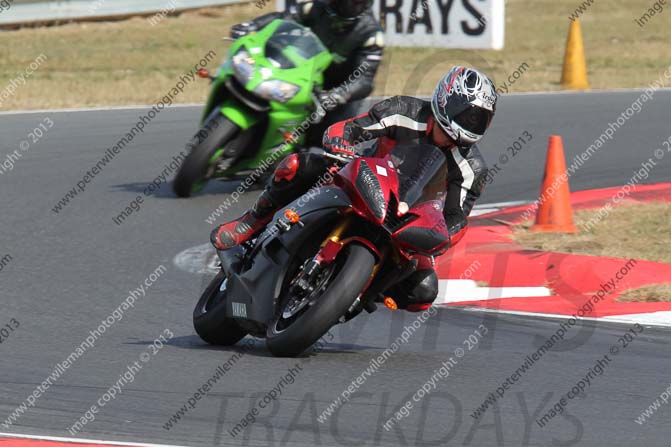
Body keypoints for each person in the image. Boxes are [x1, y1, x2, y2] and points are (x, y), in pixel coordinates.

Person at [210, 66, 498, 311]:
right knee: (297, 166)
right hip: (365, 181)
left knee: (423, 291)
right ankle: (252, 221)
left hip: (407, 219)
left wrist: (442, 236)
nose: (471, 122)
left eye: (479, 119)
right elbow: (348, 128)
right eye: (468, 114)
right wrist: (340, 144)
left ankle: (362, 291)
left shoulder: (472, 169)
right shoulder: (404, 111)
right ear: (447, 99)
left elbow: (457, 217)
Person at [230, 0, 384, 146]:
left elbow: (364, 79)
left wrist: (338, 95)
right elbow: (283, 18)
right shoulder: (315, 7)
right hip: (303, 76)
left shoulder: (371, 34)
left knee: (334, 140)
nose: (348, 4)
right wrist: (253, 25)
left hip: (336, 91)